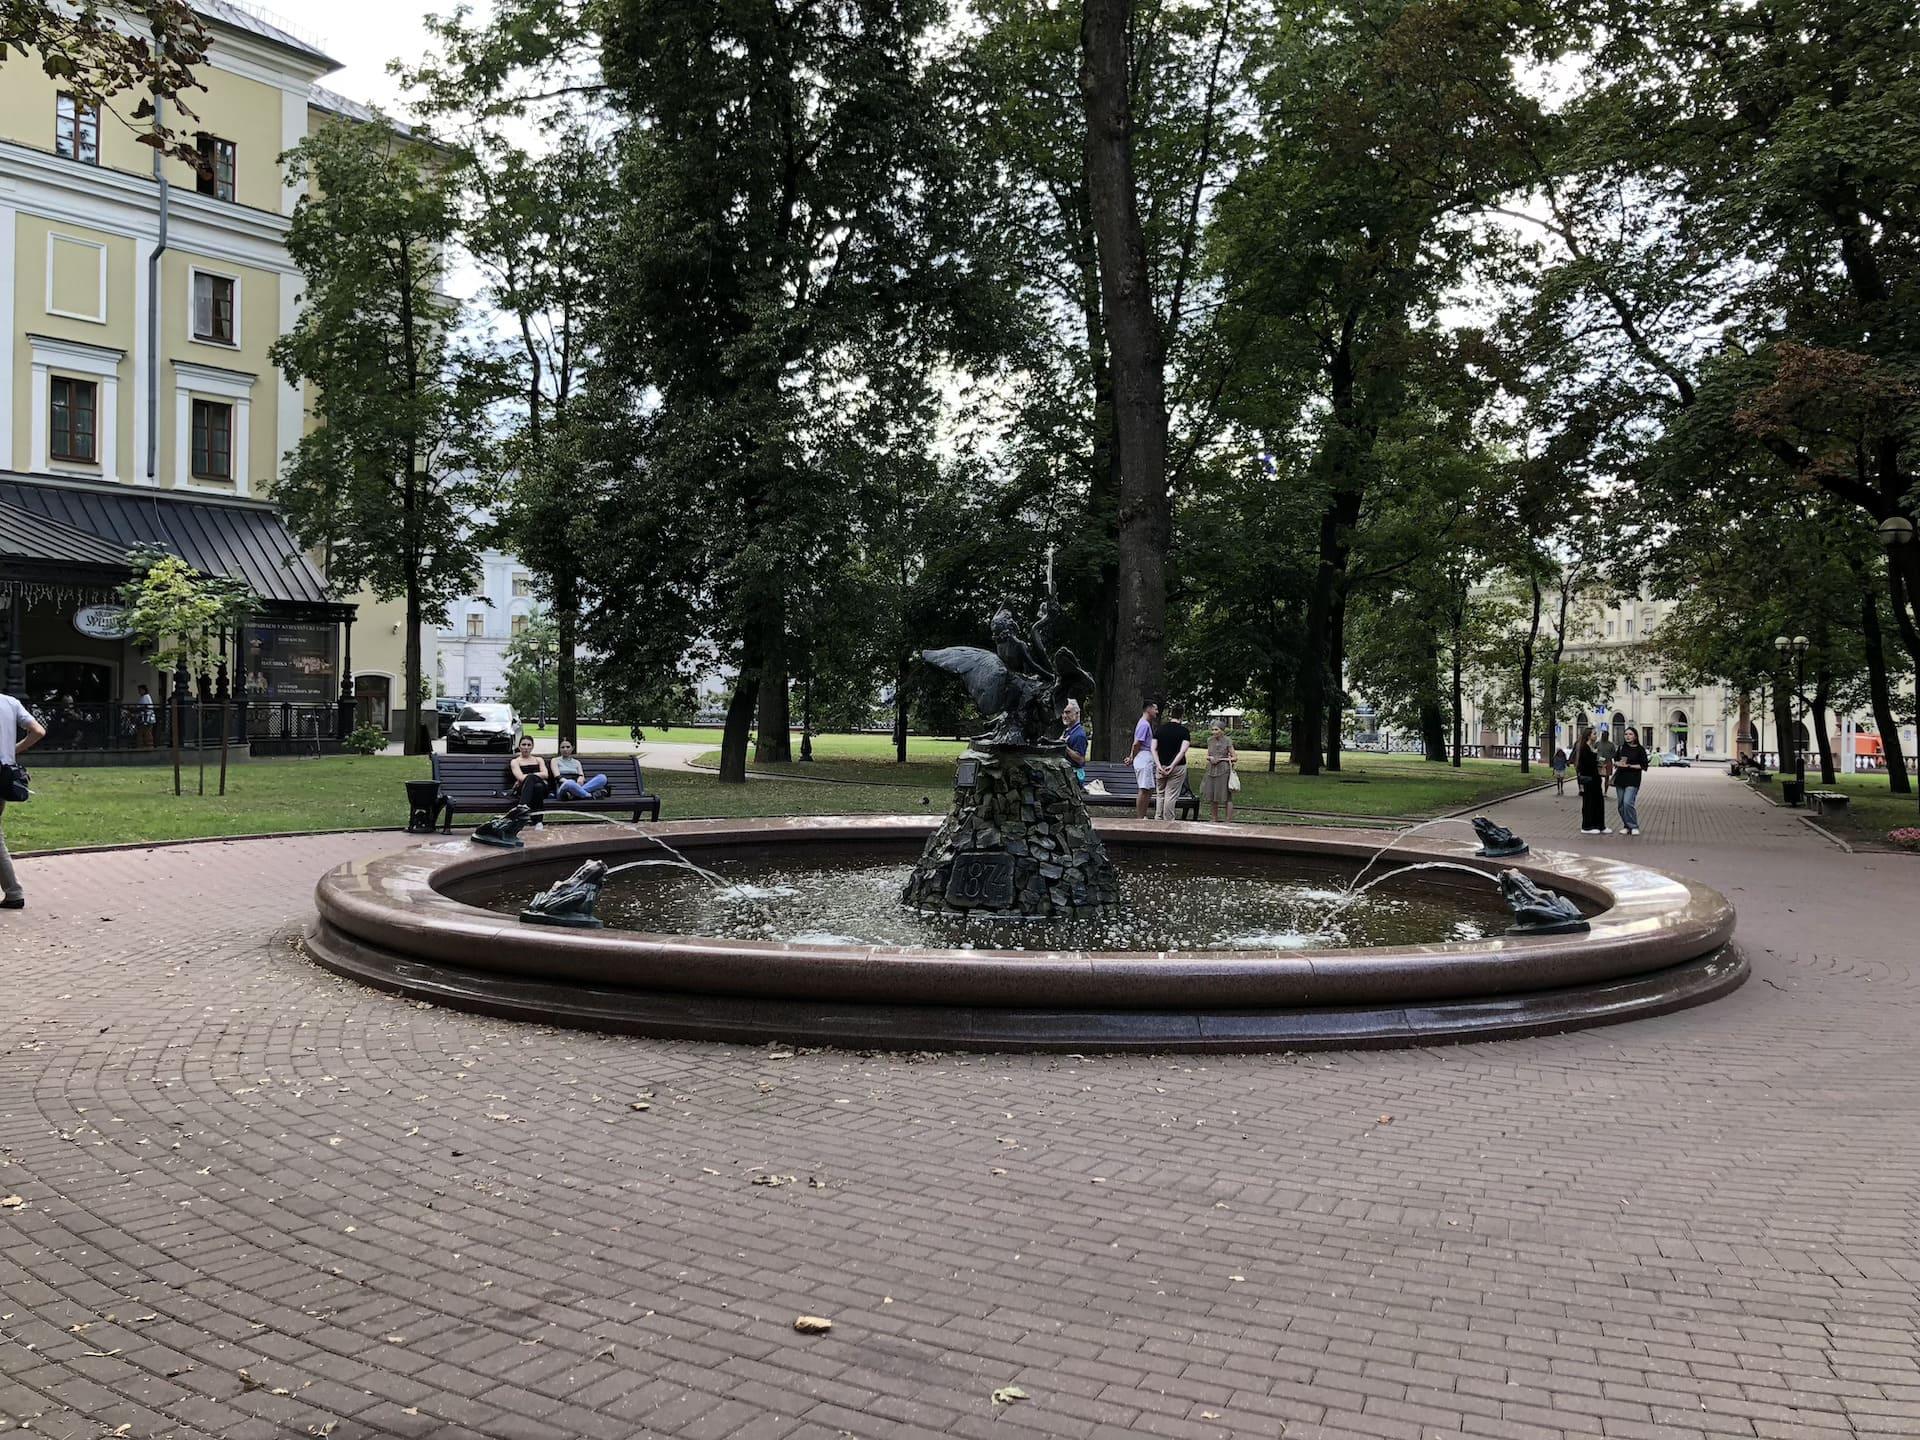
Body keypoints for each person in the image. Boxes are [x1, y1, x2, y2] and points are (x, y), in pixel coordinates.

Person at [1, 691, 46, 910]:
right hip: (5, 775)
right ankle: (13, 892)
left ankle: (14, 892)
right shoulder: (10, 702)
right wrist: (13, 750)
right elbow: (38, 731)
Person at [1153, 703, 1193, 822]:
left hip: (1161, 765)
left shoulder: (1160, 729)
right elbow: (1182, 751)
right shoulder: (1184, 731)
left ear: (1170, 713)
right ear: (1182, 715)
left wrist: (1159, 765)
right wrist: (1172, 765)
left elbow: (1153, 748)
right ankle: (1168, 821)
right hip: (1178, 767)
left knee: (1160, 794)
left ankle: (1158, 819)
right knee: (1171, 795)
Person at [505, 736, 552, 825]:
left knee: (534, 781)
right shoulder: (515, 761)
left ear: (532, 746)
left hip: (543, 789)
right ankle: (538, 822)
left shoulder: (538, 759)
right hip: (523, 789)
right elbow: (520, 778)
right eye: (524, 745)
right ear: (519, 747)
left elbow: (545, 774)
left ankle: (522, 806)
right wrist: (536, 775)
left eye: (529, 745)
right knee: (537, 787)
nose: (526, 747)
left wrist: (530, 776)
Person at [1614, 726, 1648, 835]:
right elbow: (1615, 761)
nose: (1627, 736)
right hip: (1620, 779)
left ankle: (1634, 826)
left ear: (1635, 736)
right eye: (1626, 734)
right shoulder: (1621, 748)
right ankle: (1626, 825)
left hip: (1633, 779)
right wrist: (1618, 763)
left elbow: (1644, 766)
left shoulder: (1640, 749)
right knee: (1621, 805)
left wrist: (1629, 766)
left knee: (1628, 802)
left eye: (1630, 734)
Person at [1128, 700, 1160, 817]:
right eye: (1155, 709)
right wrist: (1133, 757)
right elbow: (1136, 744)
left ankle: (1143, 815)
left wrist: (1132, 756)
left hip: (1145, 757)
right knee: (1144, 788)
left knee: (1148, 789)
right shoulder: (1144, 724)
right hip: (1143, 757)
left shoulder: (1145, 723)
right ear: (1148, 709)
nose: (1157, 711)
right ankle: (1140, 817)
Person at [1574, 728, 1609, 834]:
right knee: (1589, 802)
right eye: (1594, 734)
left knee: (1598, 802)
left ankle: (1599, 825)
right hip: (1589, 779)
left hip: (1595, 778)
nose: (1596, 735)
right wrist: (1597, 761)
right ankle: (1587, 826)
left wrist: (1599, 762)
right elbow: (1586, 764)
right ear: (1589, 736)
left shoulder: (1591, 747)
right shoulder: (1584, 748)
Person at [1202, 721, 1238, 822]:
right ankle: (1214, 818)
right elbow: (1207, 755)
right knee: (1213, 796)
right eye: (1212, 729)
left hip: (1224, 770)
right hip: (1211, 770)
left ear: (1222, 731)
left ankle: (1228, 820)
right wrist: (1210, 758)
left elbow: (1235, 757)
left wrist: (1222, 759)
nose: (1214, 732)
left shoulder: (1227, 741)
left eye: (1216, 729)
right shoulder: (1209, 740)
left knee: (1226, 796)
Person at [1061, 701, 1088, 784]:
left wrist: (1064, 747)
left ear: (1077, 714)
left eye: (1068, 712)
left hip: (1074, 778)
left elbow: (1081, 760)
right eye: (1063, 712)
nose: (1064, 716)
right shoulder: (1068, 731)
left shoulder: (1079, 735)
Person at [135, 683, 156, 750]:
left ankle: (145, 746)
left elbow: (144, 707)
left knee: (145, 732)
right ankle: (146, 745)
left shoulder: (145, 697)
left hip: (146, 719)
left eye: (140, 690)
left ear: (144, 690)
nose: (139, 692)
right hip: (147, 718)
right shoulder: (146, 697)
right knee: (146, 732)